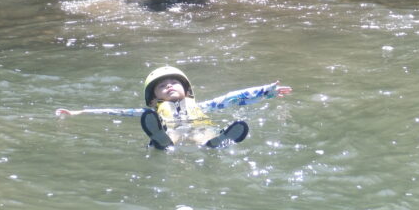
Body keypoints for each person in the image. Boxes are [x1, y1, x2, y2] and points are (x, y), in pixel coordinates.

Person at [56, 66, 292, 149]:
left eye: (174, 83)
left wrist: (265, 92)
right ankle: (160, 140)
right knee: (171, 133)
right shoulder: (151, 112)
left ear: (187, 91)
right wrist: (81, 112)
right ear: (153, 99)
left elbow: (233, 98)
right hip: (171, 131)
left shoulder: (201, 105)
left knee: (205, 132)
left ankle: (215, 143)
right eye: (161, 86)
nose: (168, 86)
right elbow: (114, 111)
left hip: (199, 129)